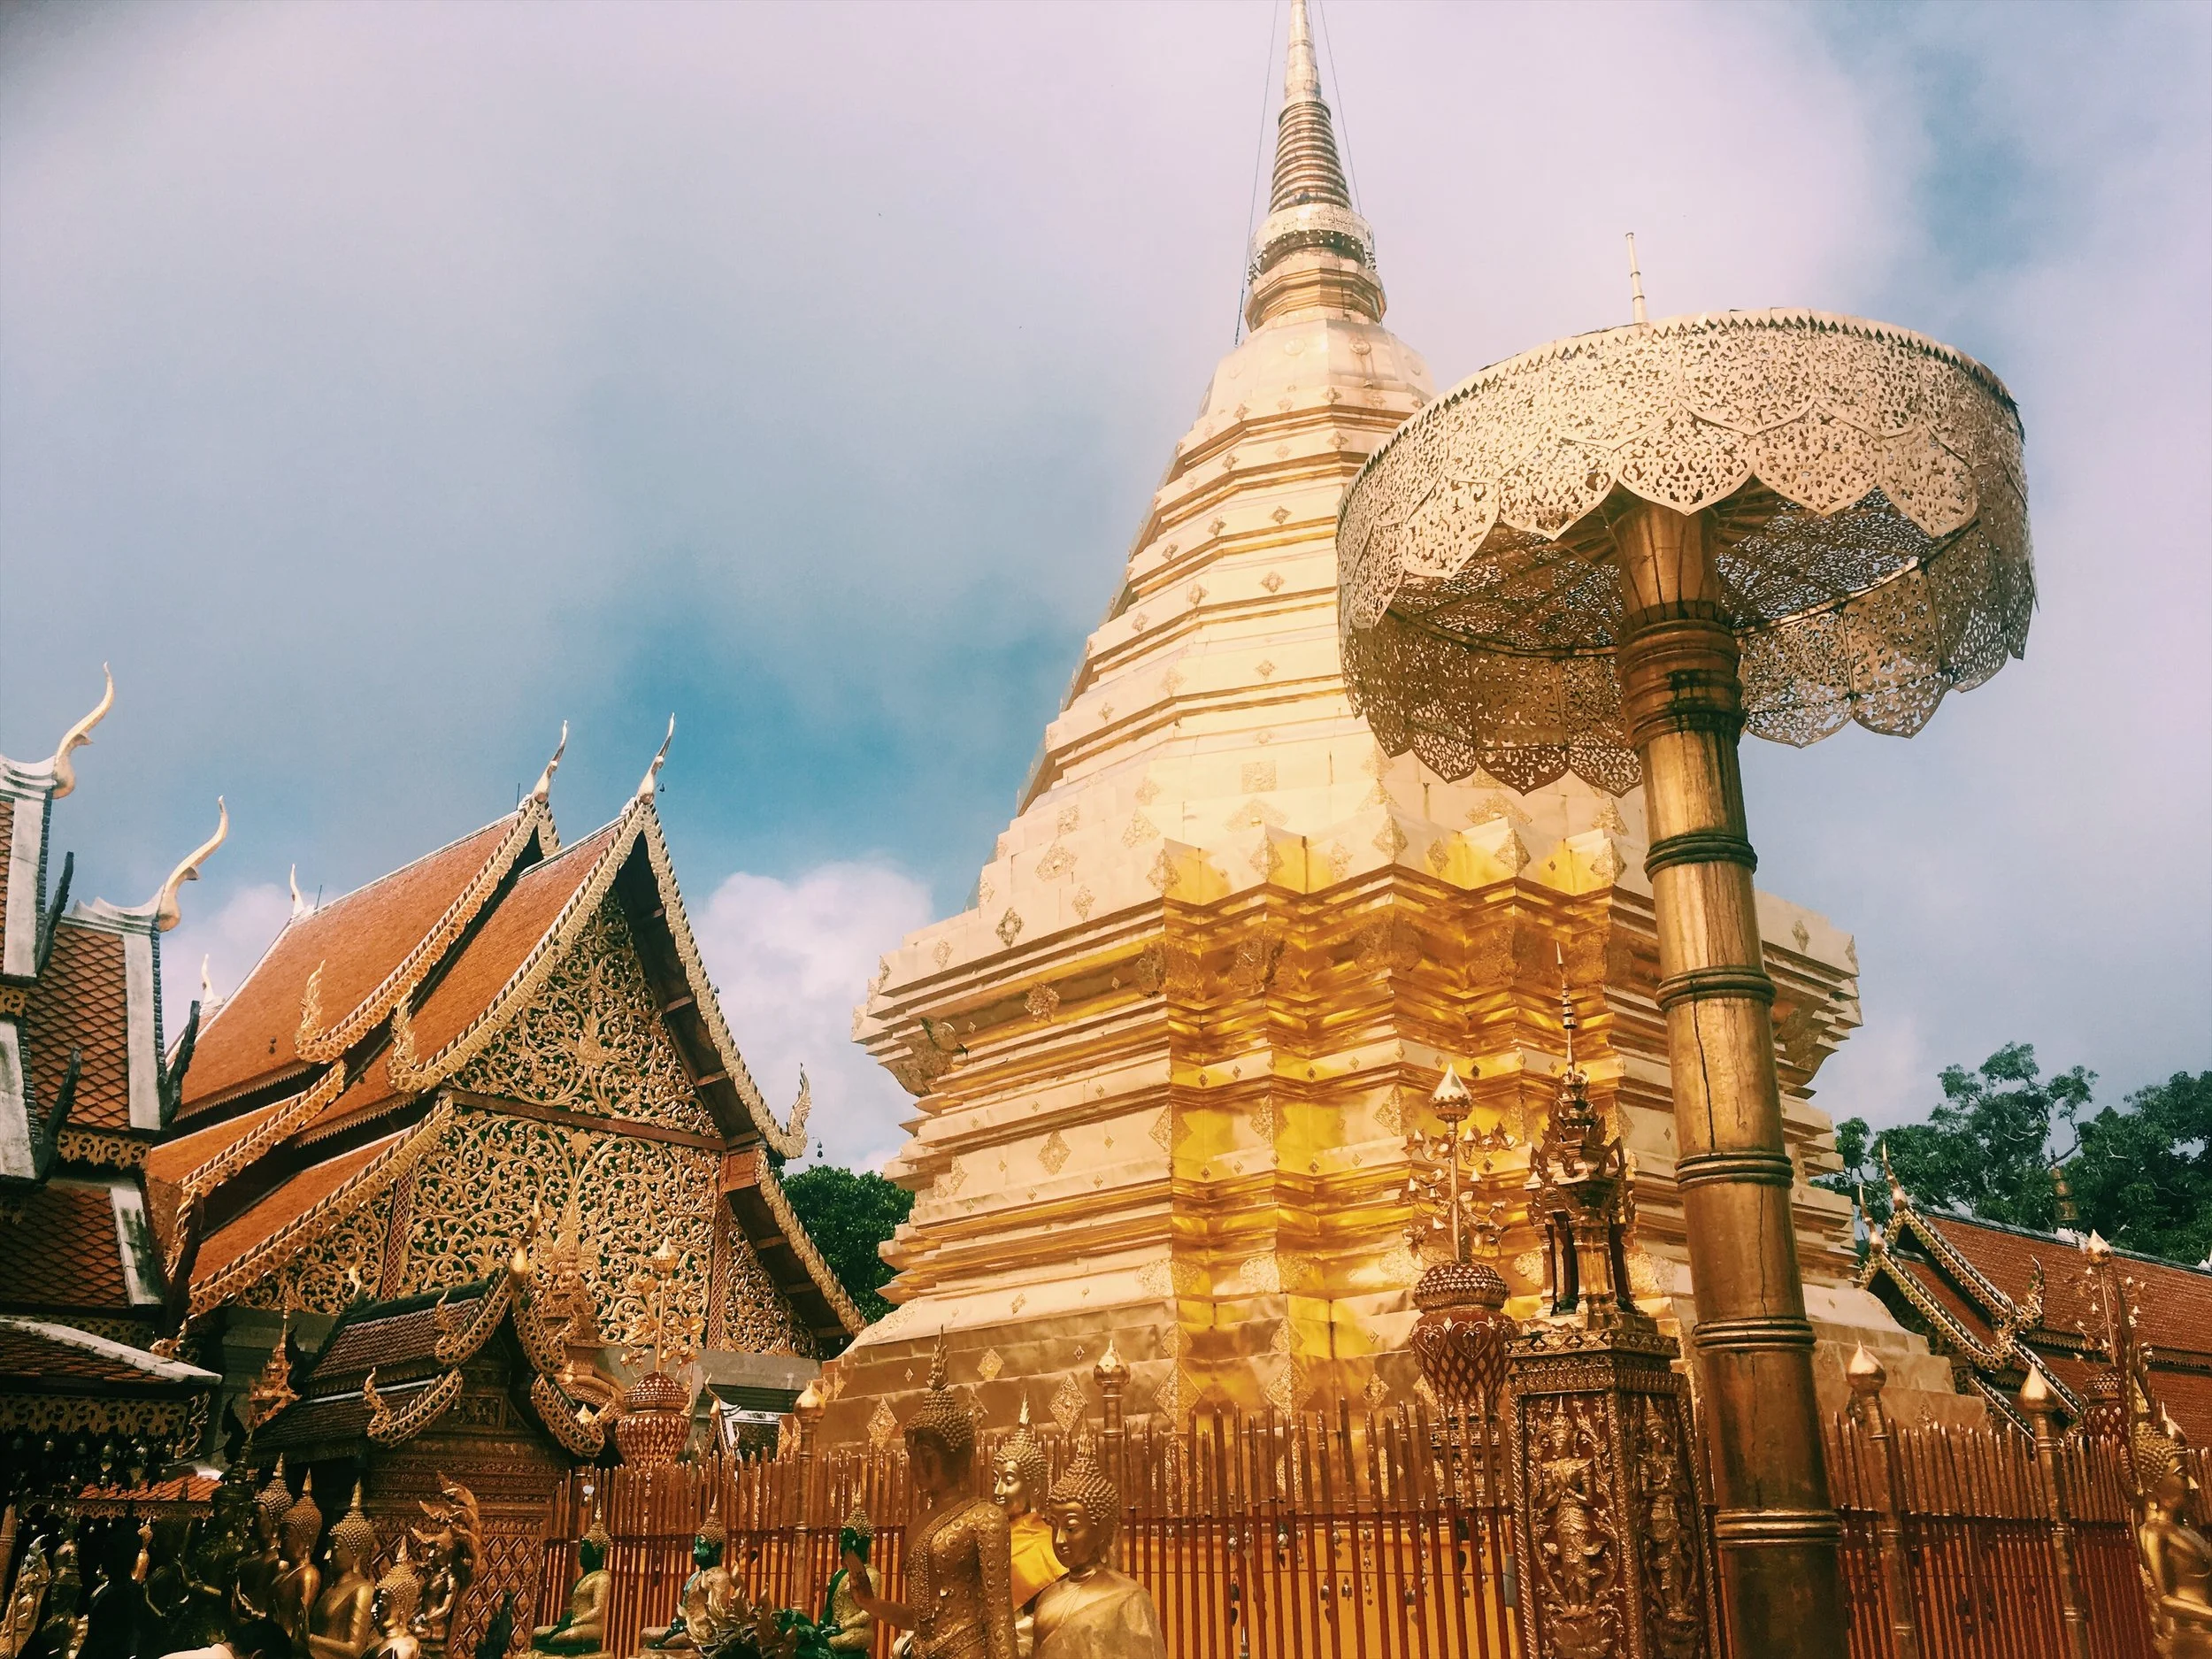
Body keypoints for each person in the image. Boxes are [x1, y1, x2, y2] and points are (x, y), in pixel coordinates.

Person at [841, 1340, 1015, 1659]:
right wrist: (871, 1603)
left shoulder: (986, 1518)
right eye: (912, 1454)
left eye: (927, 1453)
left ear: (958, 1455)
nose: (917, 1464)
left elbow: (1000, 1617)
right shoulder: (919, 1525)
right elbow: (920, 1620)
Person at [1029, 1438, 1164, 1659]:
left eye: (1071, 1528)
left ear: (1100, 1530)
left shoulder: (1128, 1597)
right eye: (1055, 1527)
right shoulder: (1047, 1597)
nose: (1060, 1540)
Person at [991, 1397, 1063, 1656]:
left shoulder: (1046, 1542)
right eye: (995, 1479)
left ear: (1033, 1487)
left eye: (1008, 1480)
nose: (998, 1491)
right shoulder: (988, 1534)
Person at [639, 1503, 731, 1653]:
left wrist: (689, 1624)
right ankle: (666, 1644)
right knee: (646, 1633)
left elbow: (717, 1615)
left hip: (703, 1630)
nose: (695, 1551)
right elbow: (685, 1607)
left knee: (678, 1639)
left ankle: (665, 1647)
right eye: (695, 1546)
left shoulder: (720, 1577)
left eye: (701, 1547)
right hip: (685, 1626)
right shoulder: (696, 1576)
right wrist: (678, 1622)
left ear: (717, 1549)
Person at [528, 1508, 611, 1659]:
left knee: (566, 1636)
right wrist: (565, 1621)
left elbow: (598, 1609)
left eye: (584, 1550)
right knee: (538, 1632)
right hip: (574, 1621)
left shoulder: (602, 1578)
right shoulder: (586, 1577)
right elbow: (575, 1608)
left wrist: (576, 1621)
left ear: (597, 1553)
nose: (580, 1555)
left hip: (591, 1626)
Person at [306, 1487, 377, 1659]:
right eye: (328, 1548)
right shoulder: (330, 1588)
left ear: (356, 1552)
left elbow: (354, 1650)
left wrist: (310, 1639)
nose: (327, 1555)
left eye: (335, 1549)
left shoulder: (362, 1590)